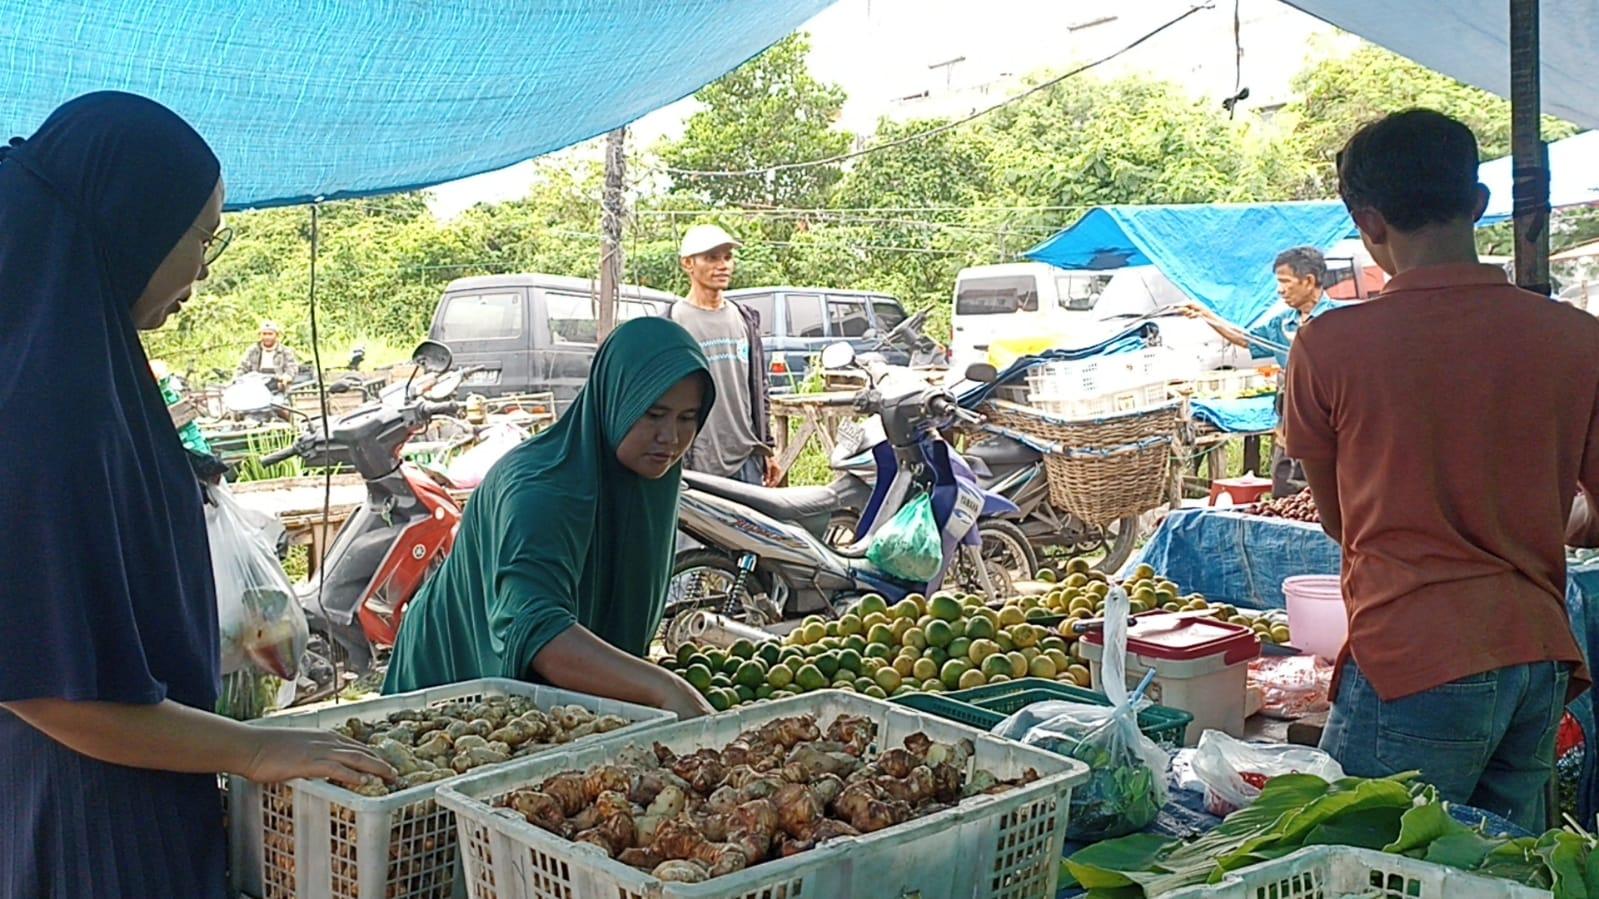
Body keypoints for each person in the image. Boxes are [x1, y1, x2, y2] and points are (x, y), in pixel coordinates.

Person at [0, 93, 393, 898]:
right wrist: (253, 750)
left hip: (126, 785)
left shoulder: (84, 360)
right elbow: (45, 685)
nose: (204, 270)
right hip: (86, 820)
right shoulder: (47, 399)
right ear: (129, 223)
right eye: (201, 239)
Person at [1282, 108, 1593, 830]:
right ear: (1478, 204)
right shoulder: (1577, 338)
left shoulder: (1328, 347)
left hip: (1414, 654)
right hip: (1537, 654)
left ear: (1366, 220)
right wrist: (1535, 512)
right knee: (1499, 870)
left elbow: (1339, 520)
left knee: (1361, 857)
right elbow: (1593, 517)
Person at [383, 317, 717, 719]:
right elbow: (536, 629)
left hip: (545, 695)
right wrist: (664, 689)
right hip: (452, 680)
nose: (672, 437)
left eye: (687, 418)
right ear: (614, 400)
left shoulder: (649, 479)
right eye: (653, 414)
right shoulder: (538, 491)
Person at [1181, 246, 1347, 497]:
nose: (1280, 290)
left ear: (1309, 281)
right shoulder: (1283, 323)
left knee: (1327, 494)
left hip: (1328, 427)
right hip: (1289, 428)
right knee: (1286, 493)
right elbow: (1244, 339)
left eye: (1285, 282)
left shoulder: (1339, 319)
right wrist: (1206, 315)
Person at [665, 224, 780, 486]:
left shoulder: (744, 319)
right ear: (688, 264)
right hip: (696, 463)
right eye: (712, 258)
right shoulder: (672, 323)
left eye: (727, 257)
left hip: (746, 458)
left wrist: (767, 448)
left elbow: (759, 390)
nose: (723, 265)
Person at [238, 319, 299, 390]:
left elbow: (292, 368)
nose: (267, 337)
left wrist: (287, 376)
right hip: (256, 385)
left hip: (278, 384)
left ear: (276, 335)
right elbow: (242, 368)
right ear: (260, 335)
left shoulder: (285, 351)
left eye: (270, 334)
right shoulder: (253, 350)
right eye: (264, 334)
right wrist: (238, 380)